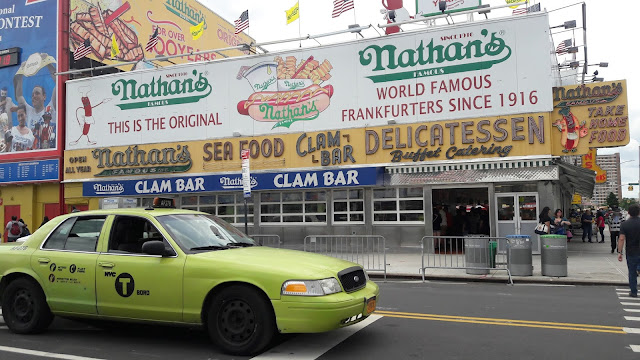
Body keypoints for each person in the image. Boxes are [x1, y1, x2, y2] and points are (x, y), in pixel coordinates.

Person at [13, 53, 56, 131]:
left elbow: (58, 81)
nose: (34, 96)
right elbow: (19, 96)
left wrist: (47, 62)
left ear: (44, 96)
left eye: (37, 93)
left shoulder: (51, 108)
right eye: (32, 94)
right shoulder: (29, 112)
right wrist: (21, 72)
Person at [618, 204, 640, 297]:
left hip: (631, 252)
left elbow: (622, 239)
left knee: (632, 272)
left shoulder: (625, 224)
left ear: (628, 212)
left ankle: (634, 292)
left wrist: (620, 252)